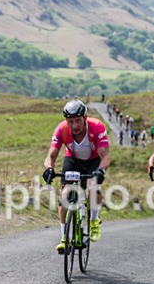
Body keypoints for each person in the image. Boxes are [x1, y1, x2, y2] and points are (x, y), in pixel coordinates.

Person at [42, 99, 110, 252]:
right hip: (73, 160)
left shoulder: (97, 127)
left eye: (78, 120)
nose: (74, 125)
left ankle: (94, 220)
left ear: (85, 118)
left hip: (93, 161)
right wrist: (49, 168)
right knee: (65, 194)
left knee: (92, 187)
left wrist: (101, 170)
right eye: (70, 121)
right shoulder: (61, 129)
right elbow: (51, 156)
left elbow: (105, 156)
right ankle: (64, 237)